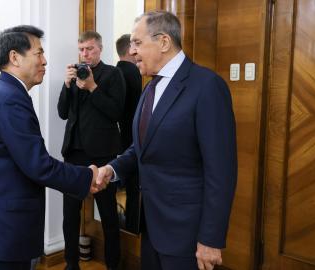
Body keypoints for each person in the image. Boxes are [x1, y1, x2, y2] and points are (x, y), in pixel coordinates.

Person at [98, 11, 237, 270]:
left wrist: (210, 238)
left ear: (163, 42)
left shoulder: (207, 86)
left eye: (137, 43)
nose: (131, 50)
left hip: (188, 234)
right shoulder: (150, 87)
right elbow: (143, 146)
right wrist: (113, 168)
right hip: (151, 225)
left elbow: (221, 172)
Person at [0, 25, 104, 270]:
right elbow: (38, 165)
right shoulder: (9, 99)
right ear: (15, 57)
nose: (45, 61)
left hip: (2, 223)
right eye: (38, 54)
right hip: (4, 227)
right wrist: (87, 176)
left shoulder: (7, 92)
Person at [58, 31, 125, 270]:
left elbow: (116, 112)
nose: (85, 54)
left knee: (108, 215)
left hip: (102, 154)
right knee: (70, 214)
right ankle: (71, 264)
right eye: (82, 49)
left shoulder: (113, 74)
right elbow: (63, 112)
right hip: (74, 153)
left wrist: (93, 87)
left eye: (90, 49)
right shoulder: (75, 74)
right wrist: (67, 85)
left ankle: (113, 265)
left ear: (100, 49)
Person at [115, 34, 142, 233]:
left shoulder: (115, 72)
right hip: (134, 137)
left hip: (119, 136)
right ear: (128, 50)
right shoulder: (134, 72)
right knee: (134, 187)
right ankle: (133, 223)